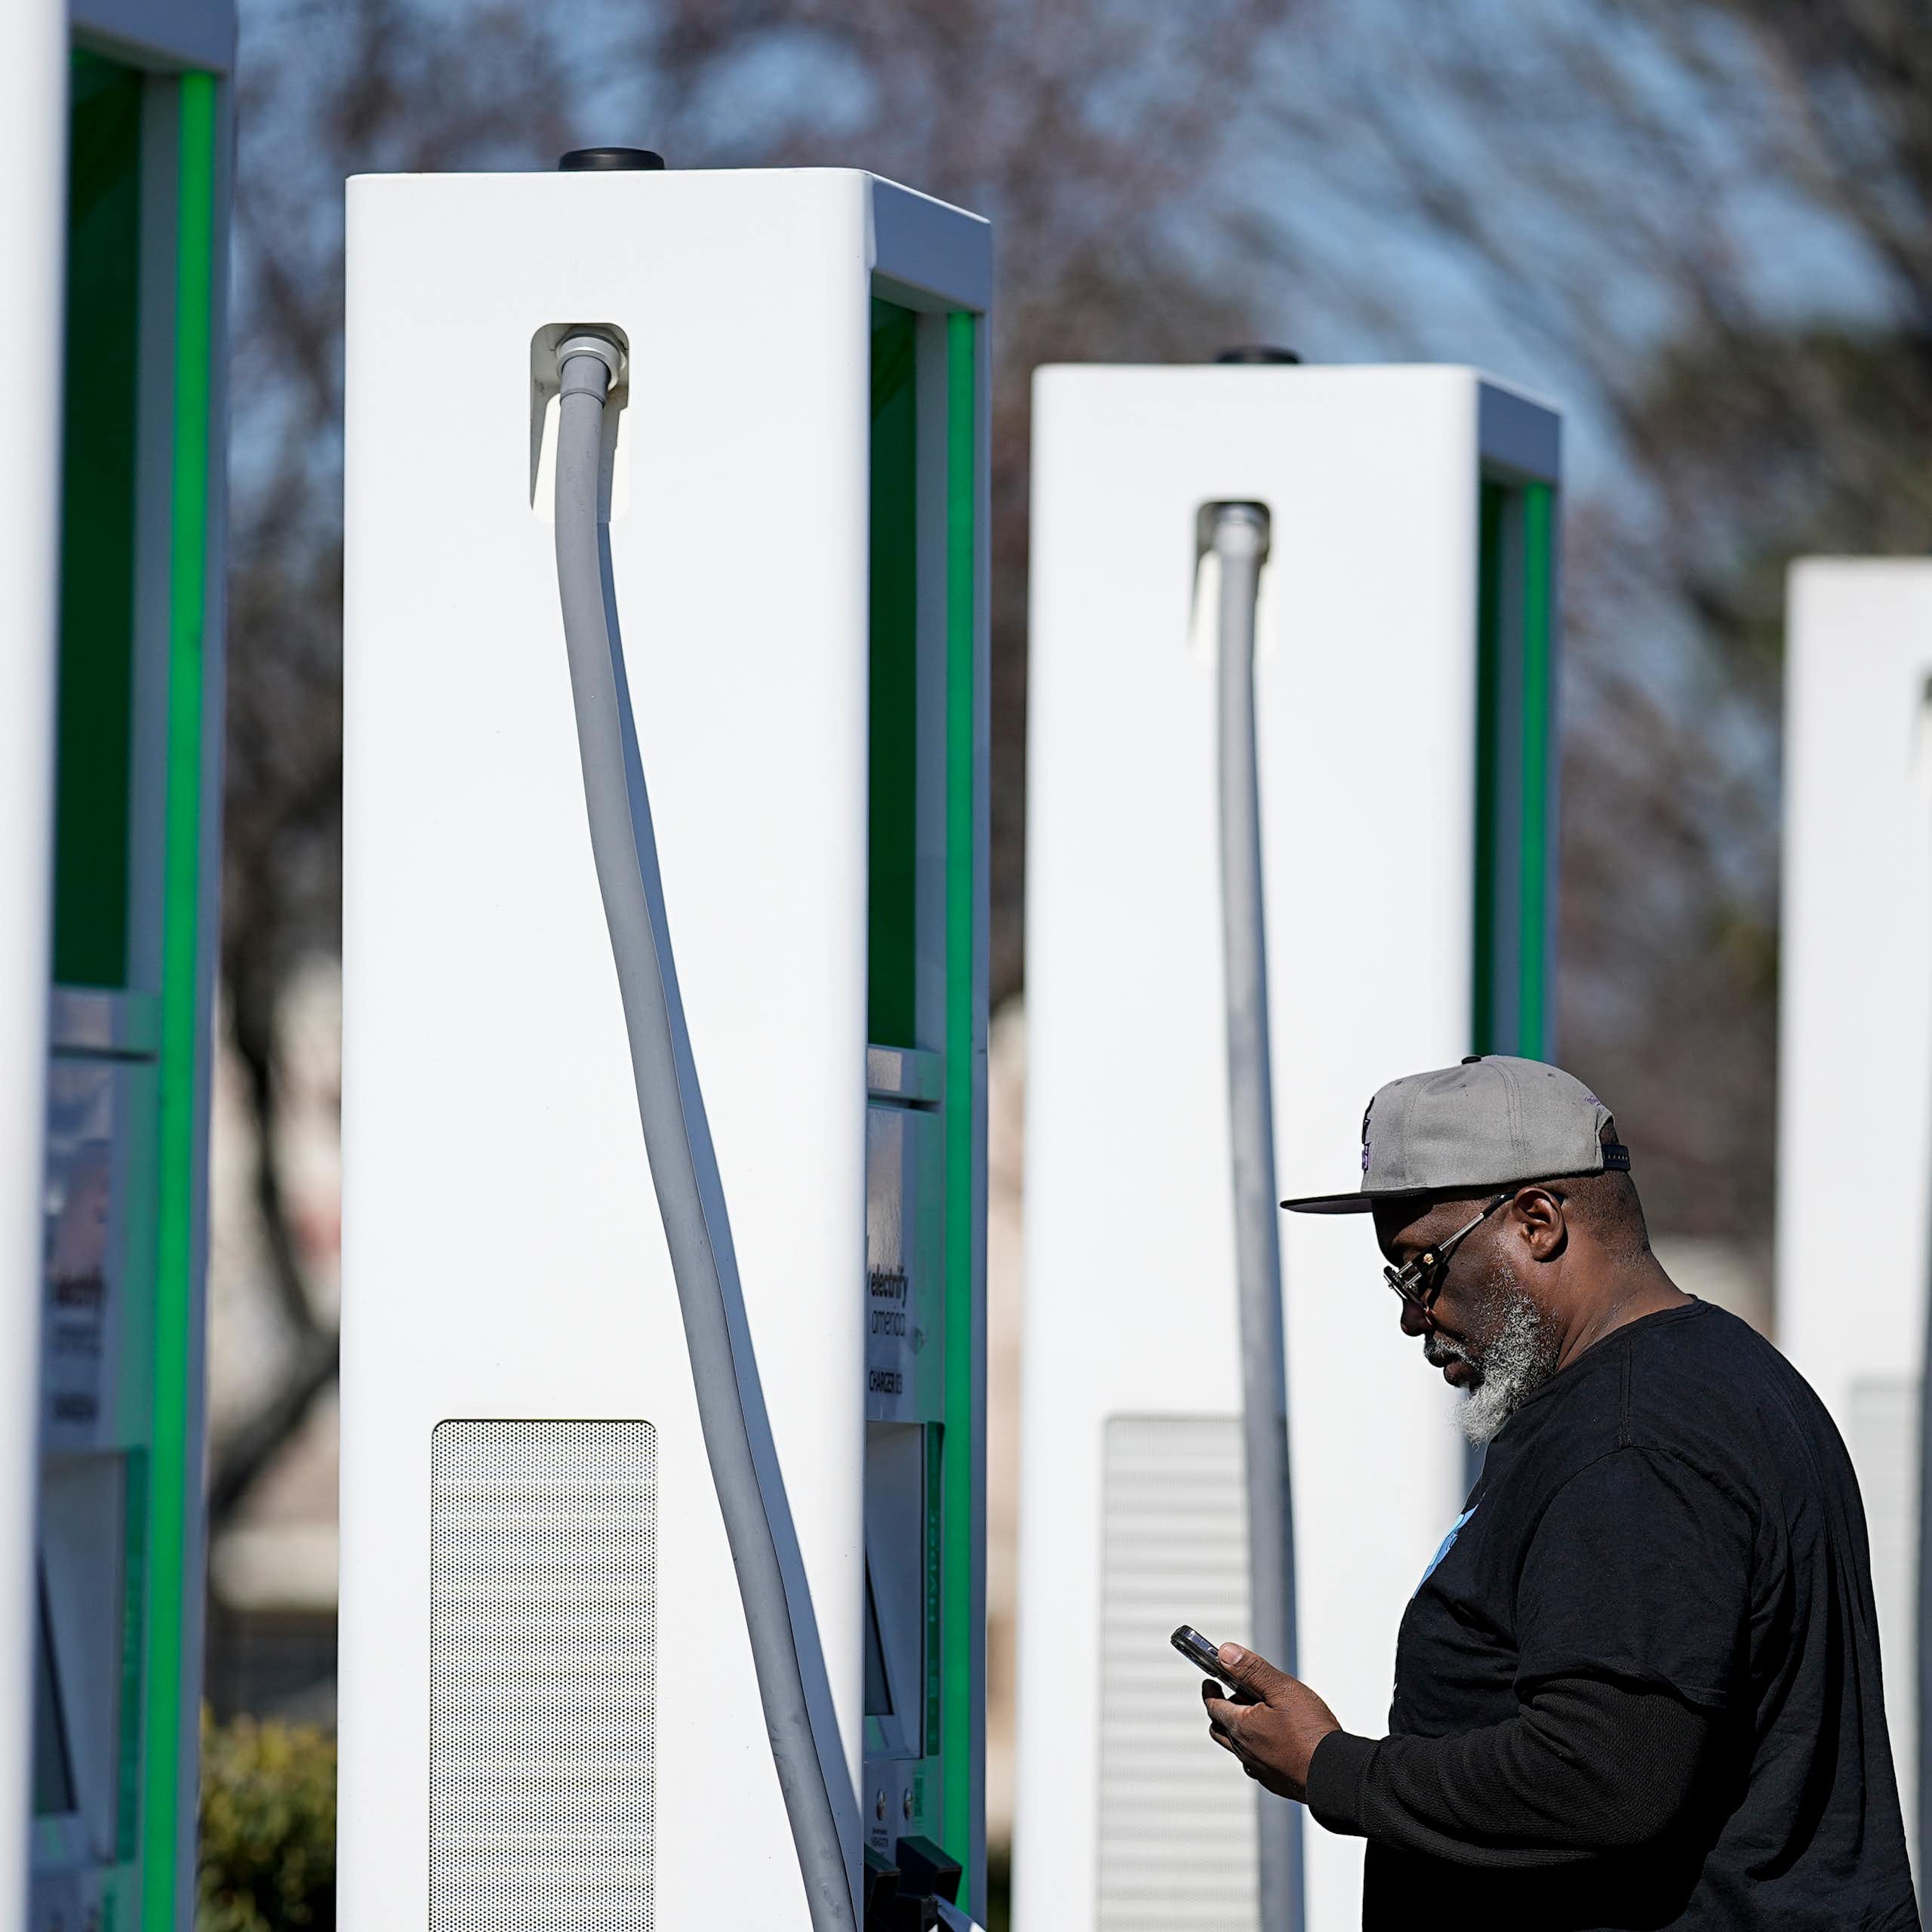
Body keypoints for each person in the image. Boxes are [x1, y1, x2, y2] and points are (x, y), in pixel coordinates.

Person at [1200, 1054, 1918, 1930]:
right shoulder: (1701, 1381)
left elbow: (1608, 1775)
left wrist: (1333, 1769)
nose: (1410, 1314)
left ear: (1538, 1221)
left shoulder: (1635, 1437)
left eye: (1420, 1268)